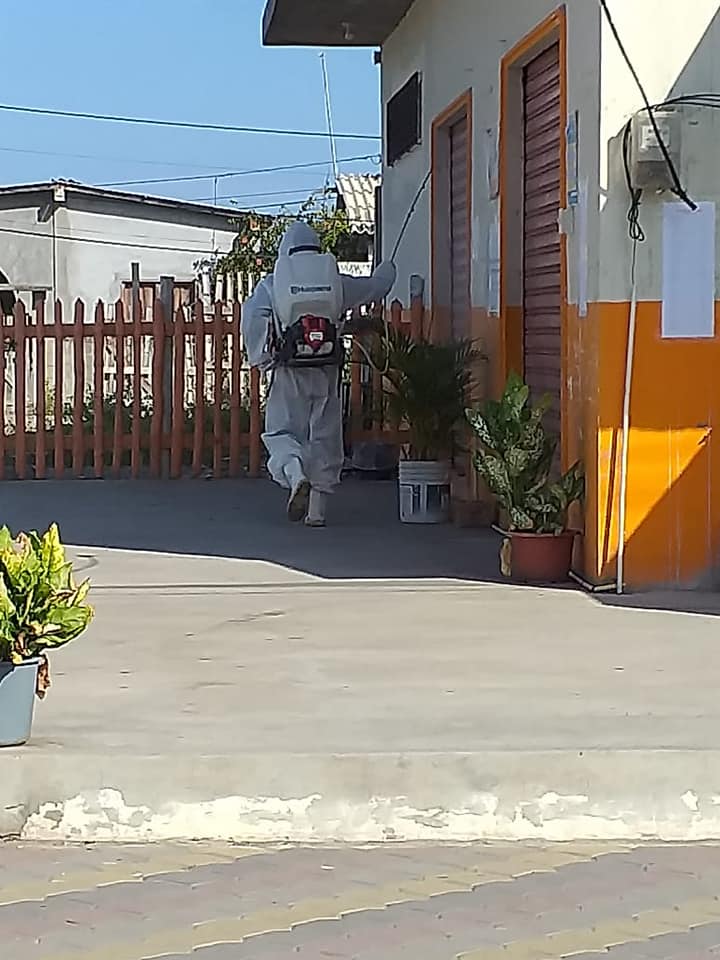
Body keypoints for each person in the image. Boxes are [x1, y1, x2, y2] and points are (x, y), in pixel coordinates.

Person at [242, 221, 396, 527]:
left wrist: (263, 358)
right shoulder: (333, 279)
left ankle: (295, 475)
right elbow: (375, 287)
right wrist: (388, 268)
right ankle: (317, 512)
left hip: (289, 372)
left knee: (282, 433)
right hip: (327, 369)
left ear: (286, 250)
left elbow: (253, 317)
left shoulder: (272, 283)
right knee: (325, 437)